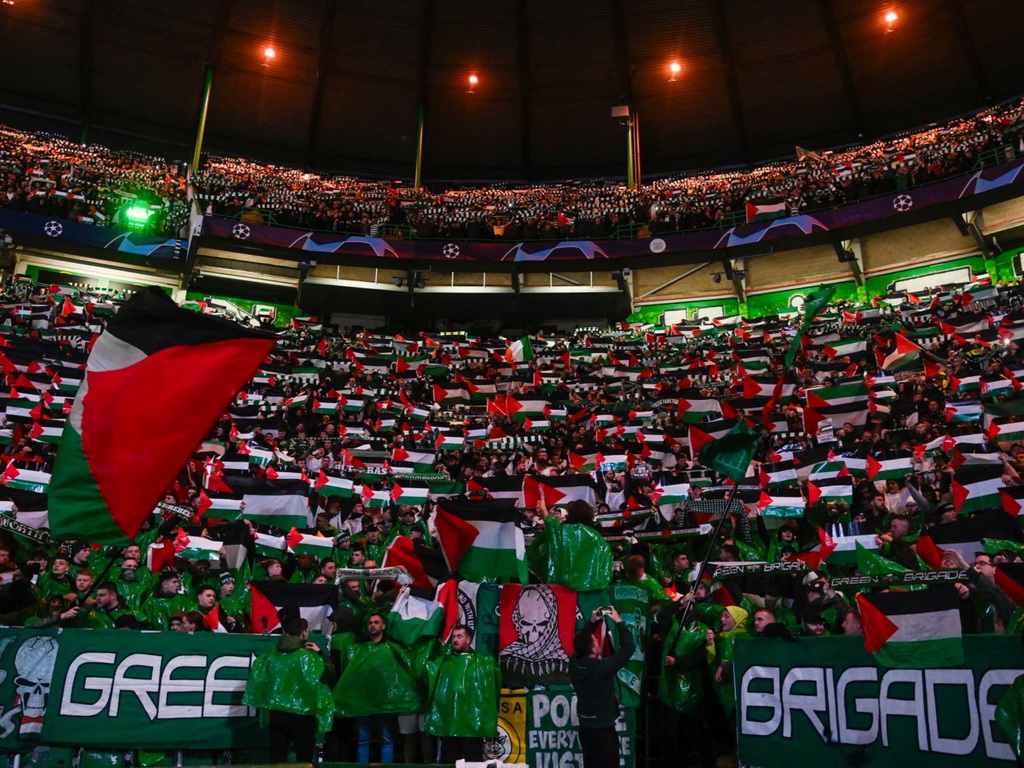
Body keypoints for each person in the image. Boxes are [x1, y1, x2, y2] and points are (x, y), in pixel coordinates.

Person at [243, 613, 335, 763]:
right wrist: (321, 653)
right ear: (304, 632)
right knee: (304, 759)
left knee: (277, 758)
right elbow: (330, 675)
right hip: (302, 716)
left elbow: (259, 680)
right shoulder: (309, 657)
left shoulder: (270, 656)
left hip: (277, 714)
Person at [568, 607, 635, 768]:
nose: (598, 641)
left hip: (585, 729)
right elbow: (628, 648)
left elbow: (581, 644)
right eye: (596, 641)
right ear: (593, 649)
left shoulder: (574, 665)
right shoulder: (602, 668)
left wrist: (591, 622)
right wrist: (619, 621)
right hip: (603, 730)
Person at [423, 623, 500, 762]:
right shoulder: (443, 662)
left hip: (472, 727)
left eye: (459, 636)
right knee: (449, 762)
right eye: (453, 637)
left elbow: (493, 693)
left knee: (472, 762)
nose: (455, 640)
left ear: (468, 639)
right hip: (449, 725)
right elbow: (423, 674)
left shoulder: (484, 663)